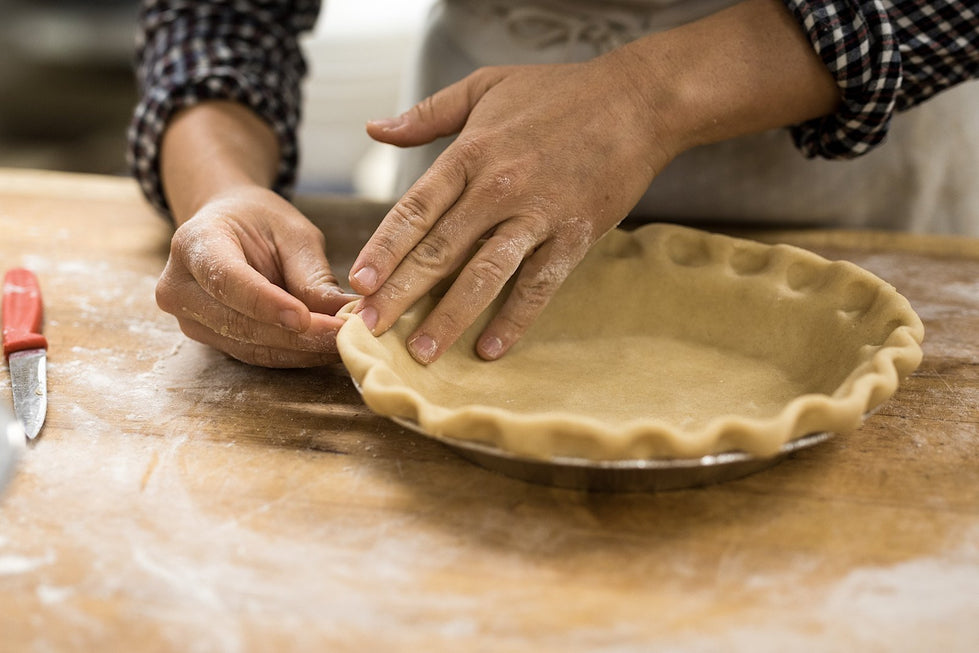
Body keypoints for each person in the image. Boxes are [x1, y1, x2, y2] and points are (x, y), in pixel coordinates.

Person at [128, 0, 979, 369]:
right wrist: (217, 190)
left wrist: (644, 97)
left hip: (845, 175)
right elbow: (221, 17)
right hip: (472, 154)